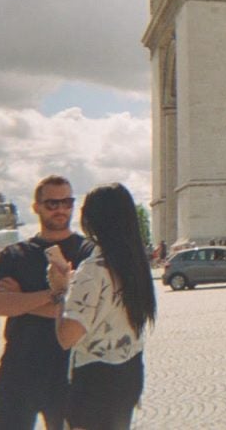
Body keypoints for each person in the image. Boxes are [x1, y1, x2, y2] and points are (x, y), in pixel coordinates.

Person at [0, 174, 95, 430]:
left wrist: (22, 301)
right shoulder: (14, 254)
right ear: (36, 207)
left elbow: (85, 312)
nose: (60, 209)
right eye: (52, 204)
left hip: (70, 369)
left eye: (67, 202)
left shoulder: (88, 253)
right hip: (19, 367)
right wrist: (56, 294)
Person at [48, 183, 157, 430]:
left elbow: (67, 336)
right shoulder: (137, 267)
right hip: (129, 374)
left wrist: (60, 291)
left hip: (95, 383)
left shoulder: (93, 270)